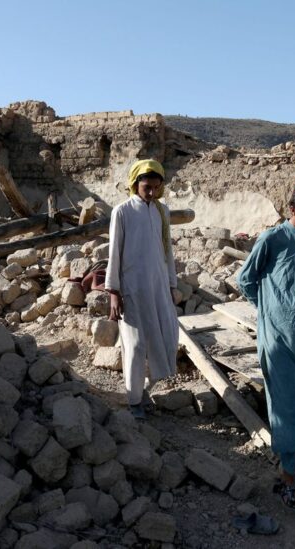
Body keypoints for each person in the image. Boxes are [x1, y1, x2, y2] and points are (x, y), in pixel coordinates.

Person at [236, 181, 295, 511]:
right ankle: (288, 479)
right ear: (292, 210)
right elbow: (245, 279)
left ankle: (292, 463)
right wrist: (271, 308)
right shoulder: (272, 239)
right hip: (279, 338)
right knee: (287, 403)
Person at [105, 159, 179, 420]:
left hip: (158, 288)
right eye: (147, 187)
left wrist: (172, 285)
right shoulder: (122, 212)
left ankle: (146, 388)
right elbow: (114, 253)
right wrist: (113, 291)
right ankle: (134, 401)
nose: (151, 193)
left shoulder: (162, 212)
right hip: (132, 289)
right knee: (135, 346)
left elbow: (167, 252)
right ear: (135, 184)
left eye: (156, 188)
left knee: (166, 341)